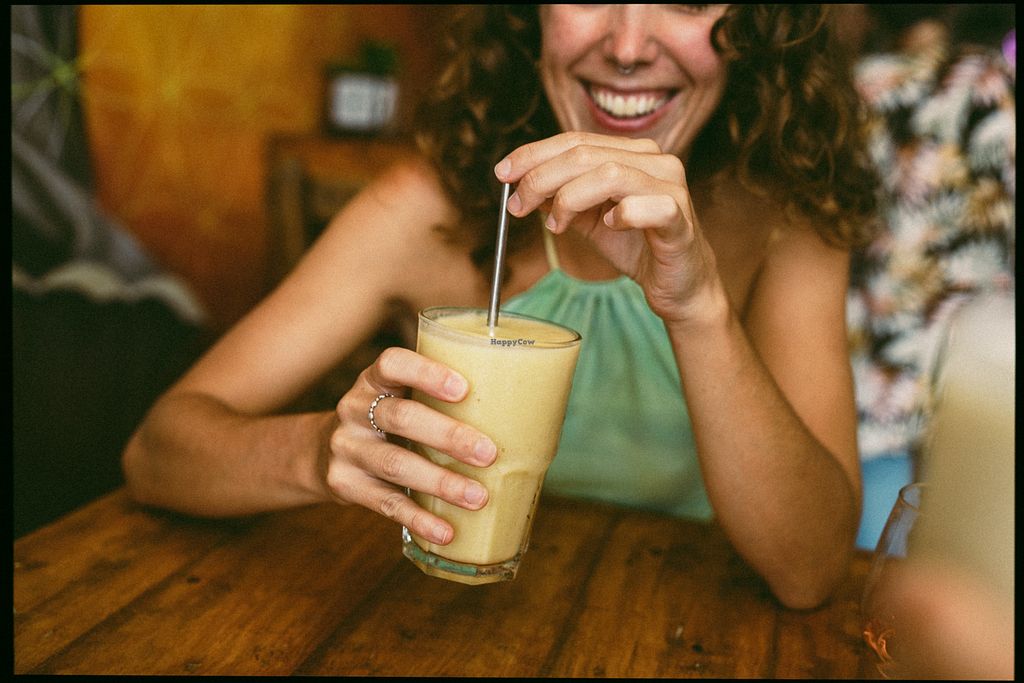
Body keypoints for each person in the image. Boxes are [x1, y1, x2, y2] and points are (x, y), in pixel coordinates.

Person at [123, 5, 879, 609]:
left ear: (755, 25)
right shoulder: (424, 212)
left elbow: (809, 570)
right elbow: (155, 454)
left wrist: (698, 305)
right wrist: (318, 451)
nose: (627, 47)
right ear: (529, 15)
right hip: (434, 615)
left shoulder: (785, 220)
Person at [841, 4, 1016, 549]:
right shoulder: (987, 82)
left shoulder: (852, 89)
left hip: (863, 386)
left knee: (866, 571)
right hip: (960, 387)